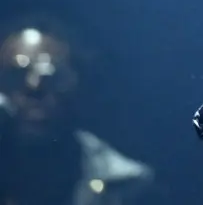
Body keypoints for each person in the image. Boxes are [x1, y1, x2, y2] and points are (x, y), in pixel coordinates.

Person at [0, 23, 153, 205]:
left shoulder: (129, 186)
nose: (34, 86)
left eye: (51, 76)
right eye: (16, 74)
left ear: (79, 83)